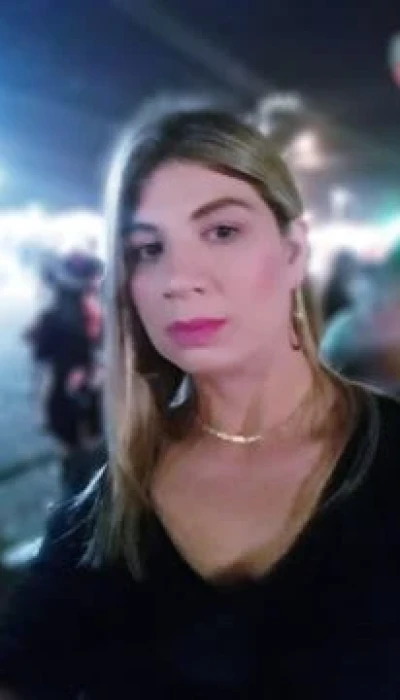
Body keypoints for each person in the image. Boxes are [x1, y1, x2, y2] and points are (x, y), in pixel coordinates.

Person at [1, 99, 400, 700]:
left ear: (294, 251)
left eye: (222, 232)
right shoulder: (105, 503)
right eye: (148, 249)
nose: (179, 278)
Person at [24, 250, 106, 498]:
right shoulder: (76, 317)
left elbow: (41, 361)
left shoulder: (56, 318)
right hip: (76, 399)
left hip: (76, 399)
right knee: (83, 463)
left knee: (79, 463)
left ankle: (79, 502)